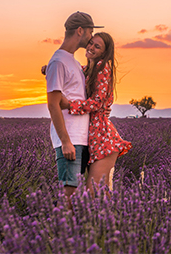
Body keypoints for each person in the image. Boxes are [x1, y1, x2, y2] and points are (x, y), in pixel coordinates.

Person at [58, 32, 132, 195]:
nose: (91, 47)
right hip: (93, 139)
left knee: (94, 194)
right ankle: (115, 220)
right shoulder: (88, 69)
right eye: (91, 43)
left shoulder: (102, 68)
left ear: (104, 53)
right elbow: (72, 71)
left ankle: (120, 219)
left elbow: (98, 102)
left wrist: (69, 105)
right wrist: (49, 68)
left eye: (97, 46)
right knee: (100, 195)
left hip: (103, 140)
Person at [46, 11, 103, 208]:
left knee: (82, 194)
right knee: (69, 192)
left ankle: (76, 234)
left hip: (82, 138)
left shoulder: (72, 62)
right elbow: (53, 104)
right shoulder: (59, 61)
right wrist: (66, 142)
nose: (91, 38)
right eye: (90, 32)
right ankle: (62, 235)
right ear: (80, 30)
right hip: (70, 139)